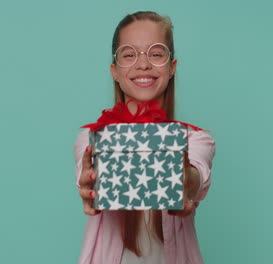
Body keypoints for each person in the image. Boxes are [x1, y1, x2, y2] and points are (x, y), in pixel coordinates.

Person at [74, 11, 216, 264]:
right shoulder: (91, 138)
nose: (143, 64)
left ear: (172, 67)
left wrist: (187, 181)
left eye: (156, 53)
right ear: (114, 71)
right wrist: (90, 183)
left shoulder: (195, 139)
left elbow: (196, 175)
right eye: (129, 54)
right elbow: (86, 172)